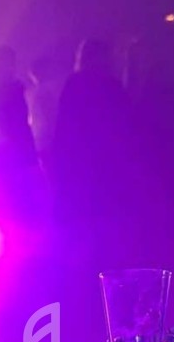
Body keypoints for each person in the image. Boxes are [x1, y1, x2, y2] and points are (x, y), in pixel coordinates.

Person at [50, 39, 137, 230]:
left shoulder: (74, 83)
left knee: (84, 213)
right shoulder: (110, 85)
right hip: (106, 156)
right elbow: (124, 120)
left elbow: (64, 124)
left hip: (79, 157)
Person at [0, 46, 40, 222]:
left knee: (2, 196)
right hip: (12, 149)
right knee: (14, 198)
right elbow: (18, 122)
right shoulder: (9, 88)